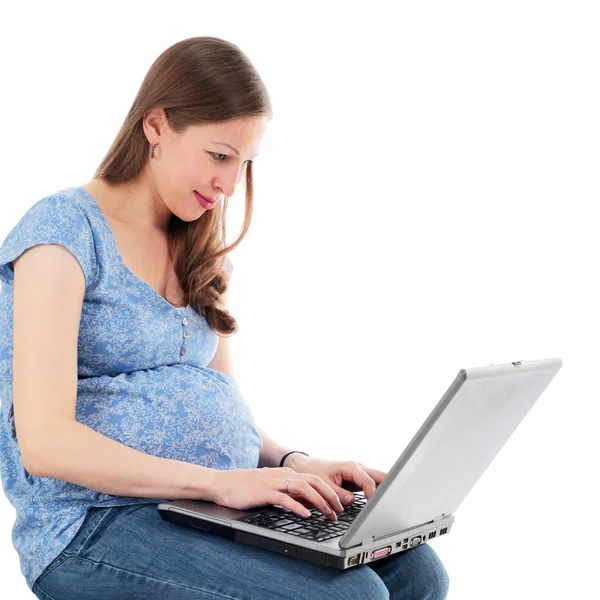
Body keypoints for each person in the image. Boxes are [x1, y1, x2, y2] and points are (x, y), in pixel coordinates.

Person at [0, 36, 450, 599]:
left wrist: (296, 462)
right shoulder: (63, 234)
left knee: (416, 572)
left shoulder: (196, 243)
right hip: (93, 524)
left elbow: (220, 400)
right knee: (351, 597)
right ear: (156, 126)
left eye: (244, 162)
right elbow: (44, 442)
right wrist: (219, 483)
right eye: (219, 155)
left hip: (200, 506)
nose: (230, 184)